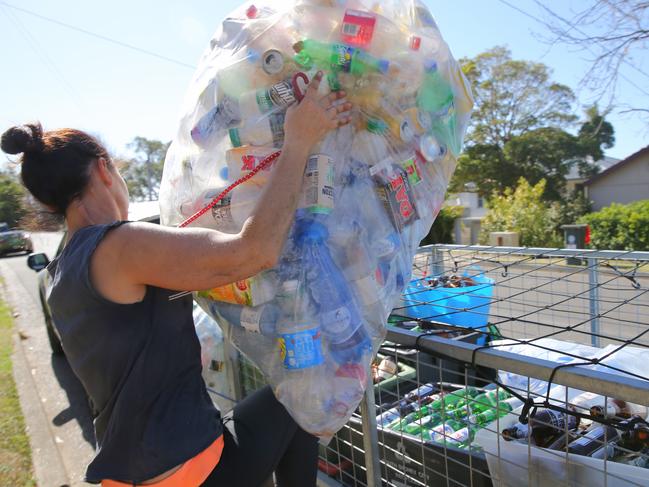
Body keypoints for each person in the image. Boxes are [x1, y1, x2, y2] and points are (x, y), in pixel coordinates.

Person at [1, 72, 352, 487]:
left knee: (283, 403)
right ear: (104, 170)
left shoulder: (62, 272)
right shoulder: (118, 246)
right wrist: (298, 140)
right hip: (188, 471)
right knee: (301, 396)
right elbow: (255, 252)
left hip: (141, 471)